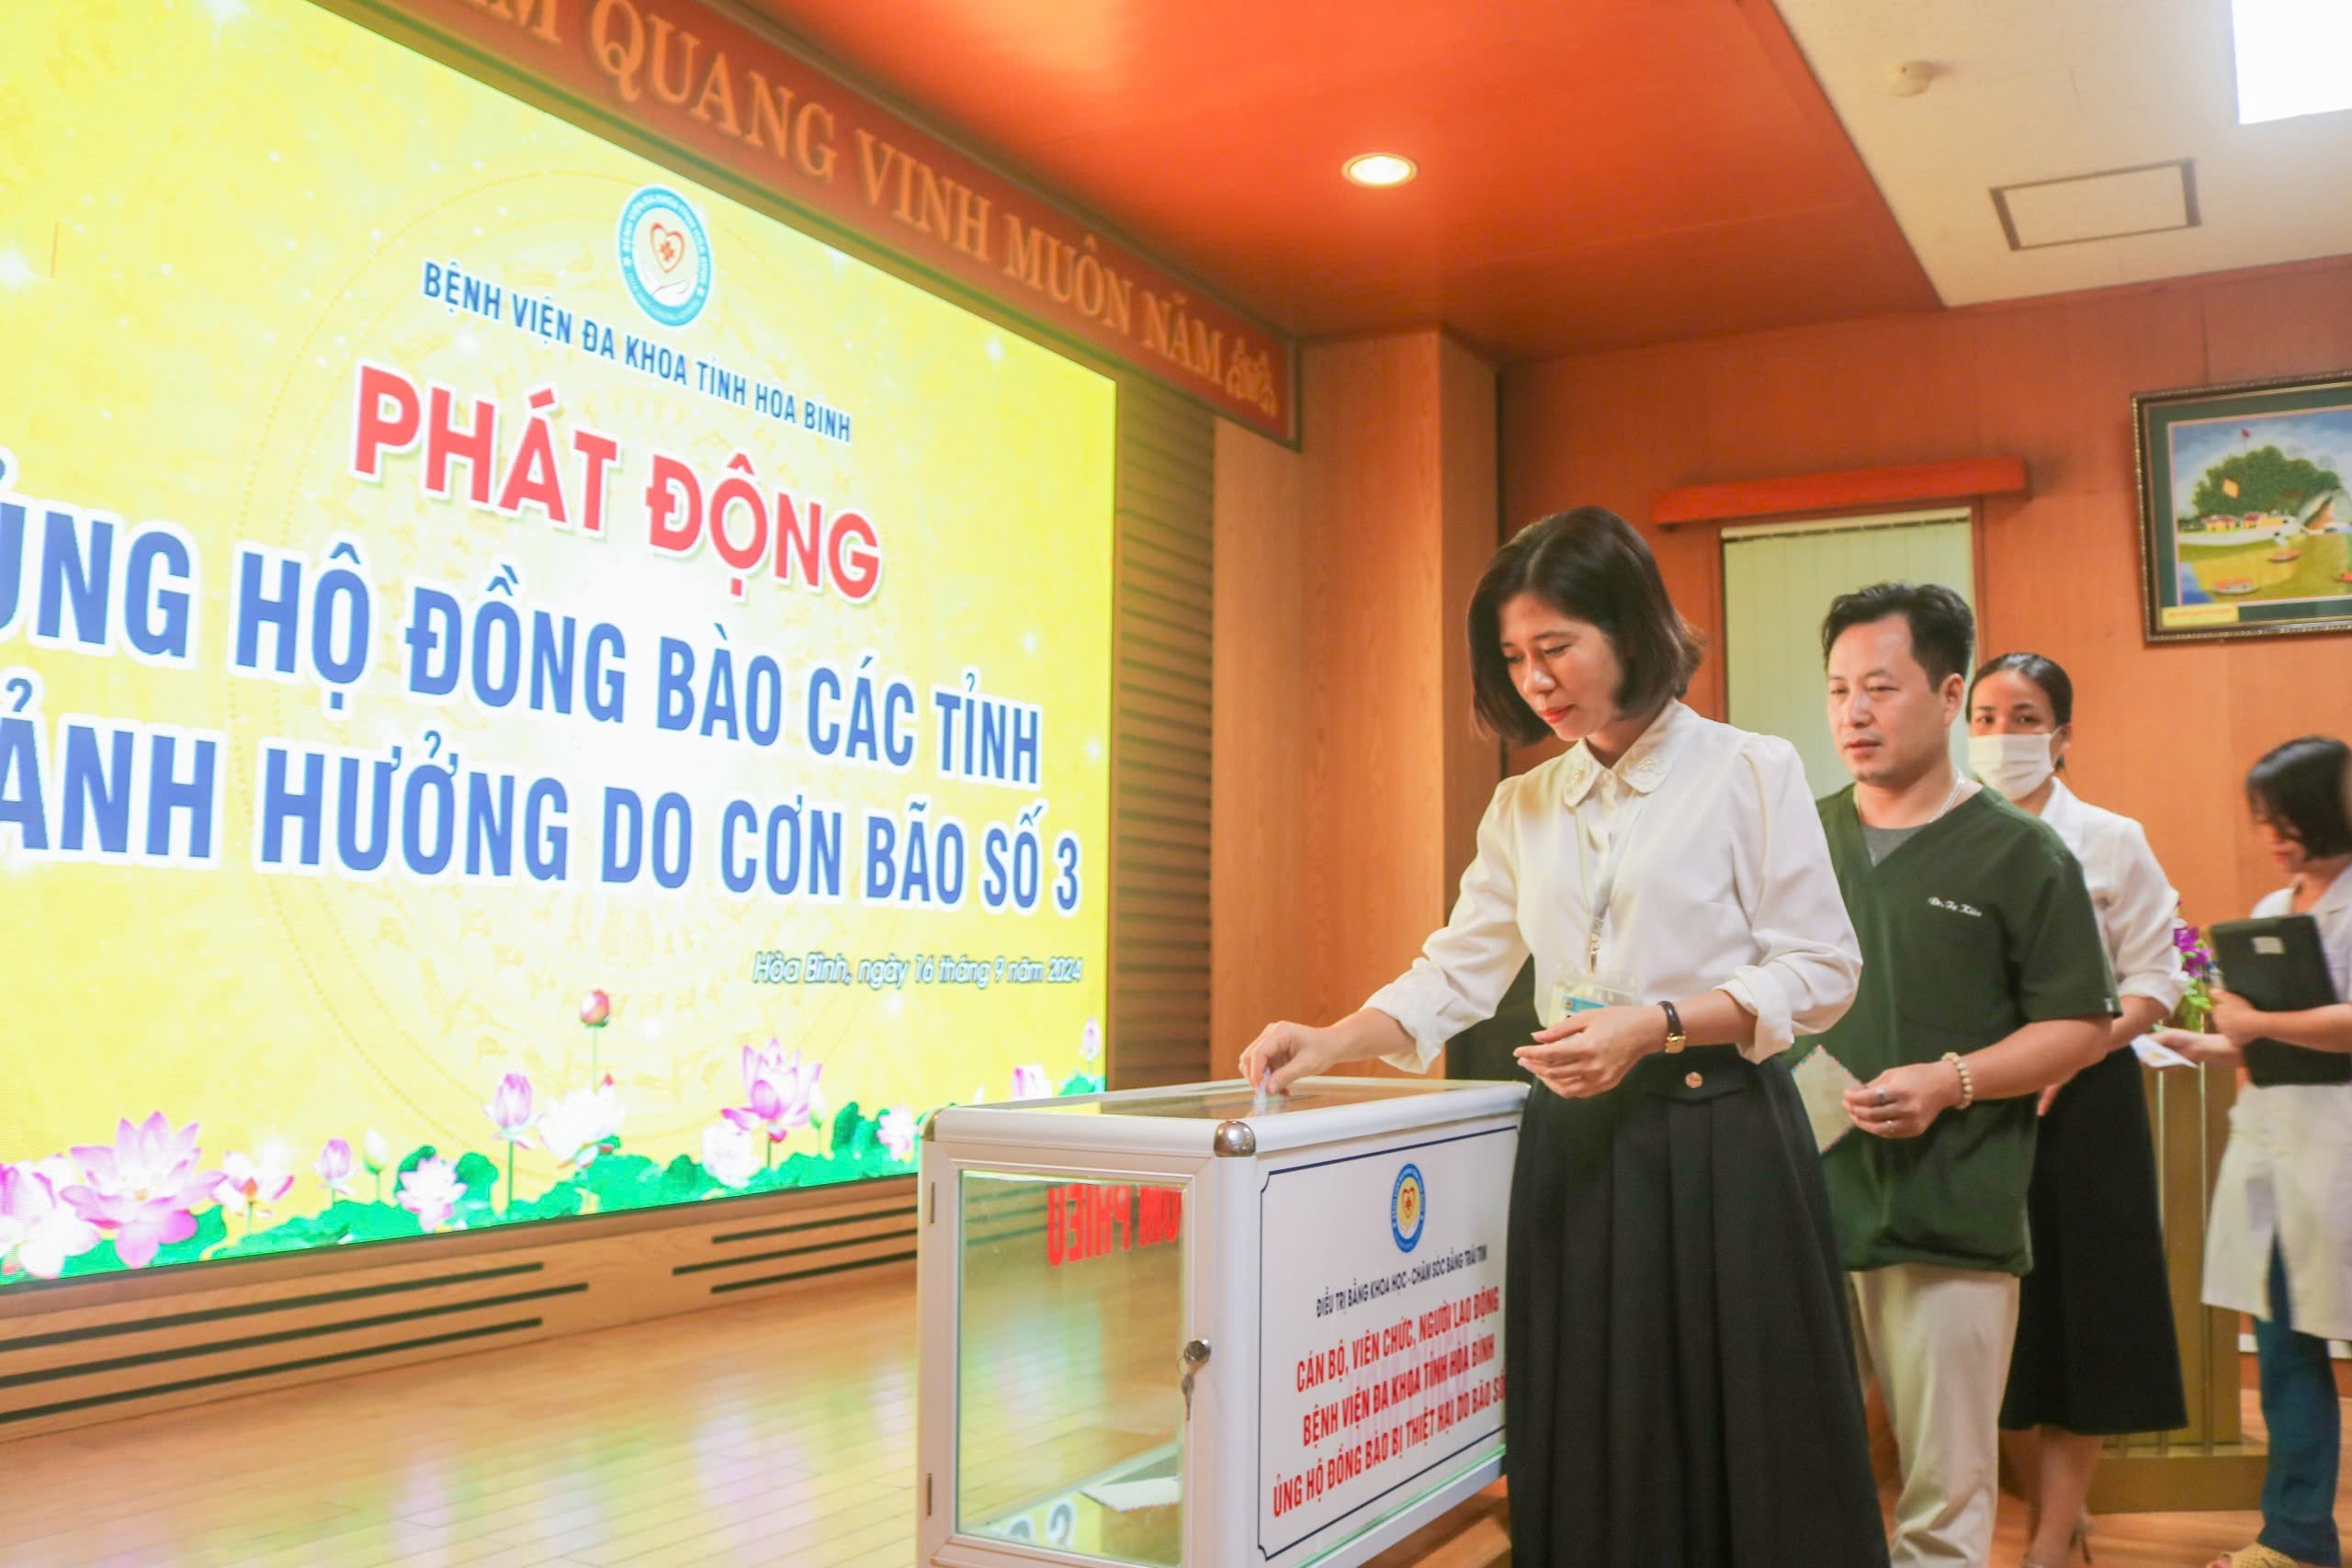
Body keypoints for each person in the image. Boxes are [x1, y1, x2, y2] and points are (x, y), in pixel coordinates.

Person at [1240, 507, 1887, 1566]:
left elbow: (1821, 970)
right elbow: (1457, 970)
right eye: (1512, 658)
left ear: (1628, 632)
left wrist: (1657, 1025)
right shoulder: (1523, 803)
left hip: (1720, 1134)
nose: (1534, 680)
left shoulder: (1746, 769)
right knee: (1593, 1422)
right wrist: (1329, 1037)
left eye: (1554, 648)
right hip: (1577, 1146)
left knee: (1742, 1421)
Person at [1806, 584, 2115, 1568]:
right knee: (1795, 1483)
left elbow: (2077, 1026)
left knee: (1942, 1504)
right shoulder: (1791, 840)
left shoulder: (2023, 854)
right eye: (1838, 689)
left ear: (1948, 697)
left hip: (1949, 1215)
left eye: (1880, 687)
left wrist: (1951, 1081)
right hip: (1799, 1212)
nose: (1854, 712)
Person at [1967, 652, 2188, 1568]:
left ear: (2062, 734)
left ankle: (2049, 1541)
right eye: (1984, 717)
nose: (2001, 736)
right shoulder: (1944, 832)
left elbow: (2157, 978)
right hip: (1975, 1099)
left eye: (2024, 718)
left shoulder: (2109, 837)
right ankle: (2051, 1510)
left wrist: (2079, 1047)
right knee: (1993, 1330)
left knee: (2086, 1324)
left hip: (2088, 1104)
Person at [2156, 736, 2352, 1568]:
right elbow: (2268, 1040)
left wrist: (2258, 1022)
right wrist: (2210, 1045)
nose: (2271, 836)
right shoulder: (2276, 909)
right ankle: (2297, 1537)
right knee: (2284, 1347)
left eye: (2286, 818)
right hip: (2276, 1151)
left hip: (2338, 1151)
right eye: (2263, 819)